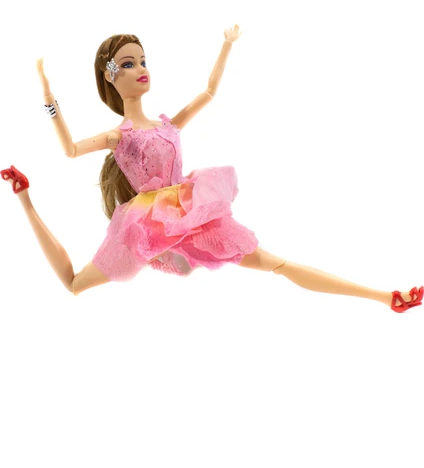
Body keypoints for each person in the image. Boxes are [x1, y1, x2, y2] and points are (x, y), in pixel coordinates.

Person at [1, 26, 422, 313]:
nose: (141, 69)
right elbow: (71, 149)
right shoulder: (119, 136)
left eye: (142, 60)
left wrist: (227, 45)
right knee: (75, 284)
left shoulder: (168, 124)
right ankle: (24, 201)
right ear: (110, 78)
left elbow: (208, 91)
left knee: (277, 264)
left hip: (192, 213)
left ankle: (386, 298)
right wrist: (48, 96)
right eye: (127, 64)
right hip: (147, 227)